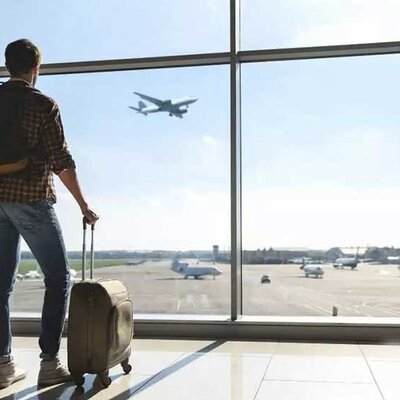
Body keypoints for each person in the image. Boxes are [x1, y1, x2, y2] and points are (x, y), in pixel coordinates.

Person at [0, 39, 98, 388]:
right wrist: (83, 204)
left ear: (8, 65)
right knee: (58, 278)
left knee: (1, 286)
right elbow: (60, 161)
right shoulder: (42, 104)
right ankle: (49, 362)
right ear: (36, 68)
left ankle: (3, 364)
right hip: (30, 198)